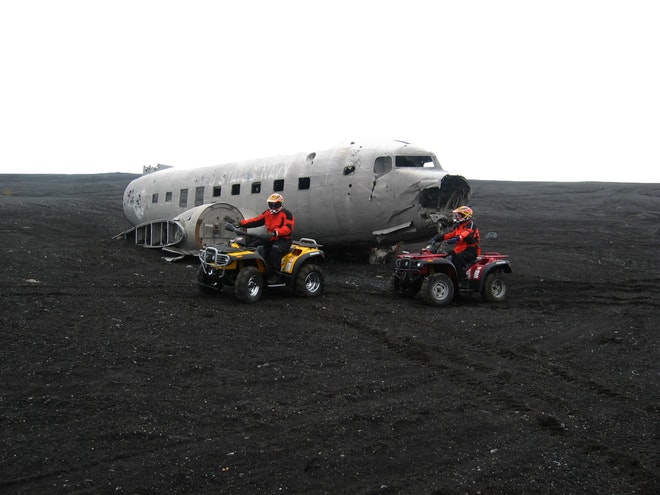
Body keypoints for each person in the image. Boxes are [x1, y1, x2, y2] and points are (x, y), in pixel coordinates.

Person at [240, 193, 295, 283]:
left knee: (275, 250)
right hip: (271, 238)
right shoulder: (267, 213)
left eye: (275, 205)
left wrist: (276, 232)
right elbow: (256, 220)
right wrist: (241, 223)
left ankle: (275, 274)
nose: (273, 207)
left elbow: (288, 228)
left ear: (280, 204)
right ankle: (256, 268)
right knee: (252, 245)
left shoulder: (286, 214)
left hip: (284, 240)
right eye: (271, 204)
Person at [428, 206, 481, 283]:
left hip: (471, 250)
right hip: (459, 249)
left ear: (465, 216)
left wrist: (457, 238)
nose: (457, 217)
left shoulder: (471, 226)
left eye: (459, 215)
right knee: (443, 255)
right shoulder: (459, 226)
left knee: (457, 259)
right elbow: (450, 234)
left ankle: (462, 279)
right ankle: (447, 277)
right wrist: (437, 238)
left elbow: (466, 234)